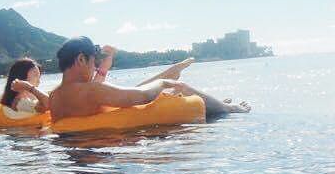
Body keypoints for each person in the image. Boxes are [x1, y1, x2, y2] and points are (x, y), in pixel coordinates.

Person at [48, 36, 250, 121]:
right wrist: (163, 82)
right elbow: (142, 96)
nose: (94, 67)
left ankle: (217, 103)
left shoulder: (55, 96)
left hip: (79, 157)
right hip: (105, 155)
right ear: (81, 59)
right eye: (93, 62)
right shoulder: (89, 90)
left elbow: (92, 96)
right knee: (178, 87)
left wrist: (103, 68)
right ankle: (230, 109)